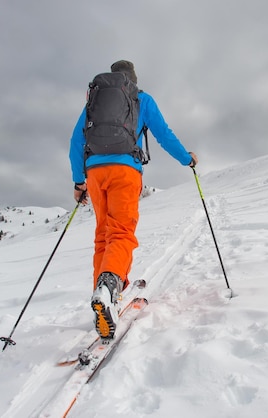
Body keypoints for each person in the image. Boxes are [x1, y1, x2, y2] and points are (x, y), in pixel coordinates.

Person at [69, 60, 198, 339]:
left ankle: (103, 301)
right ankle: (109, 286)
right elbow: (164, 134)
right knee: (122, 232)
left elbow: (75, 142)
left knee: (103, 235)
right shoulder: (141, 98)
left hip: (94, 173)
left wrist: (79, 181)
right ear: (133, 79)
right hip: (125, 171)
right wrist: (187, 159)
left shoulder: (95, 101)